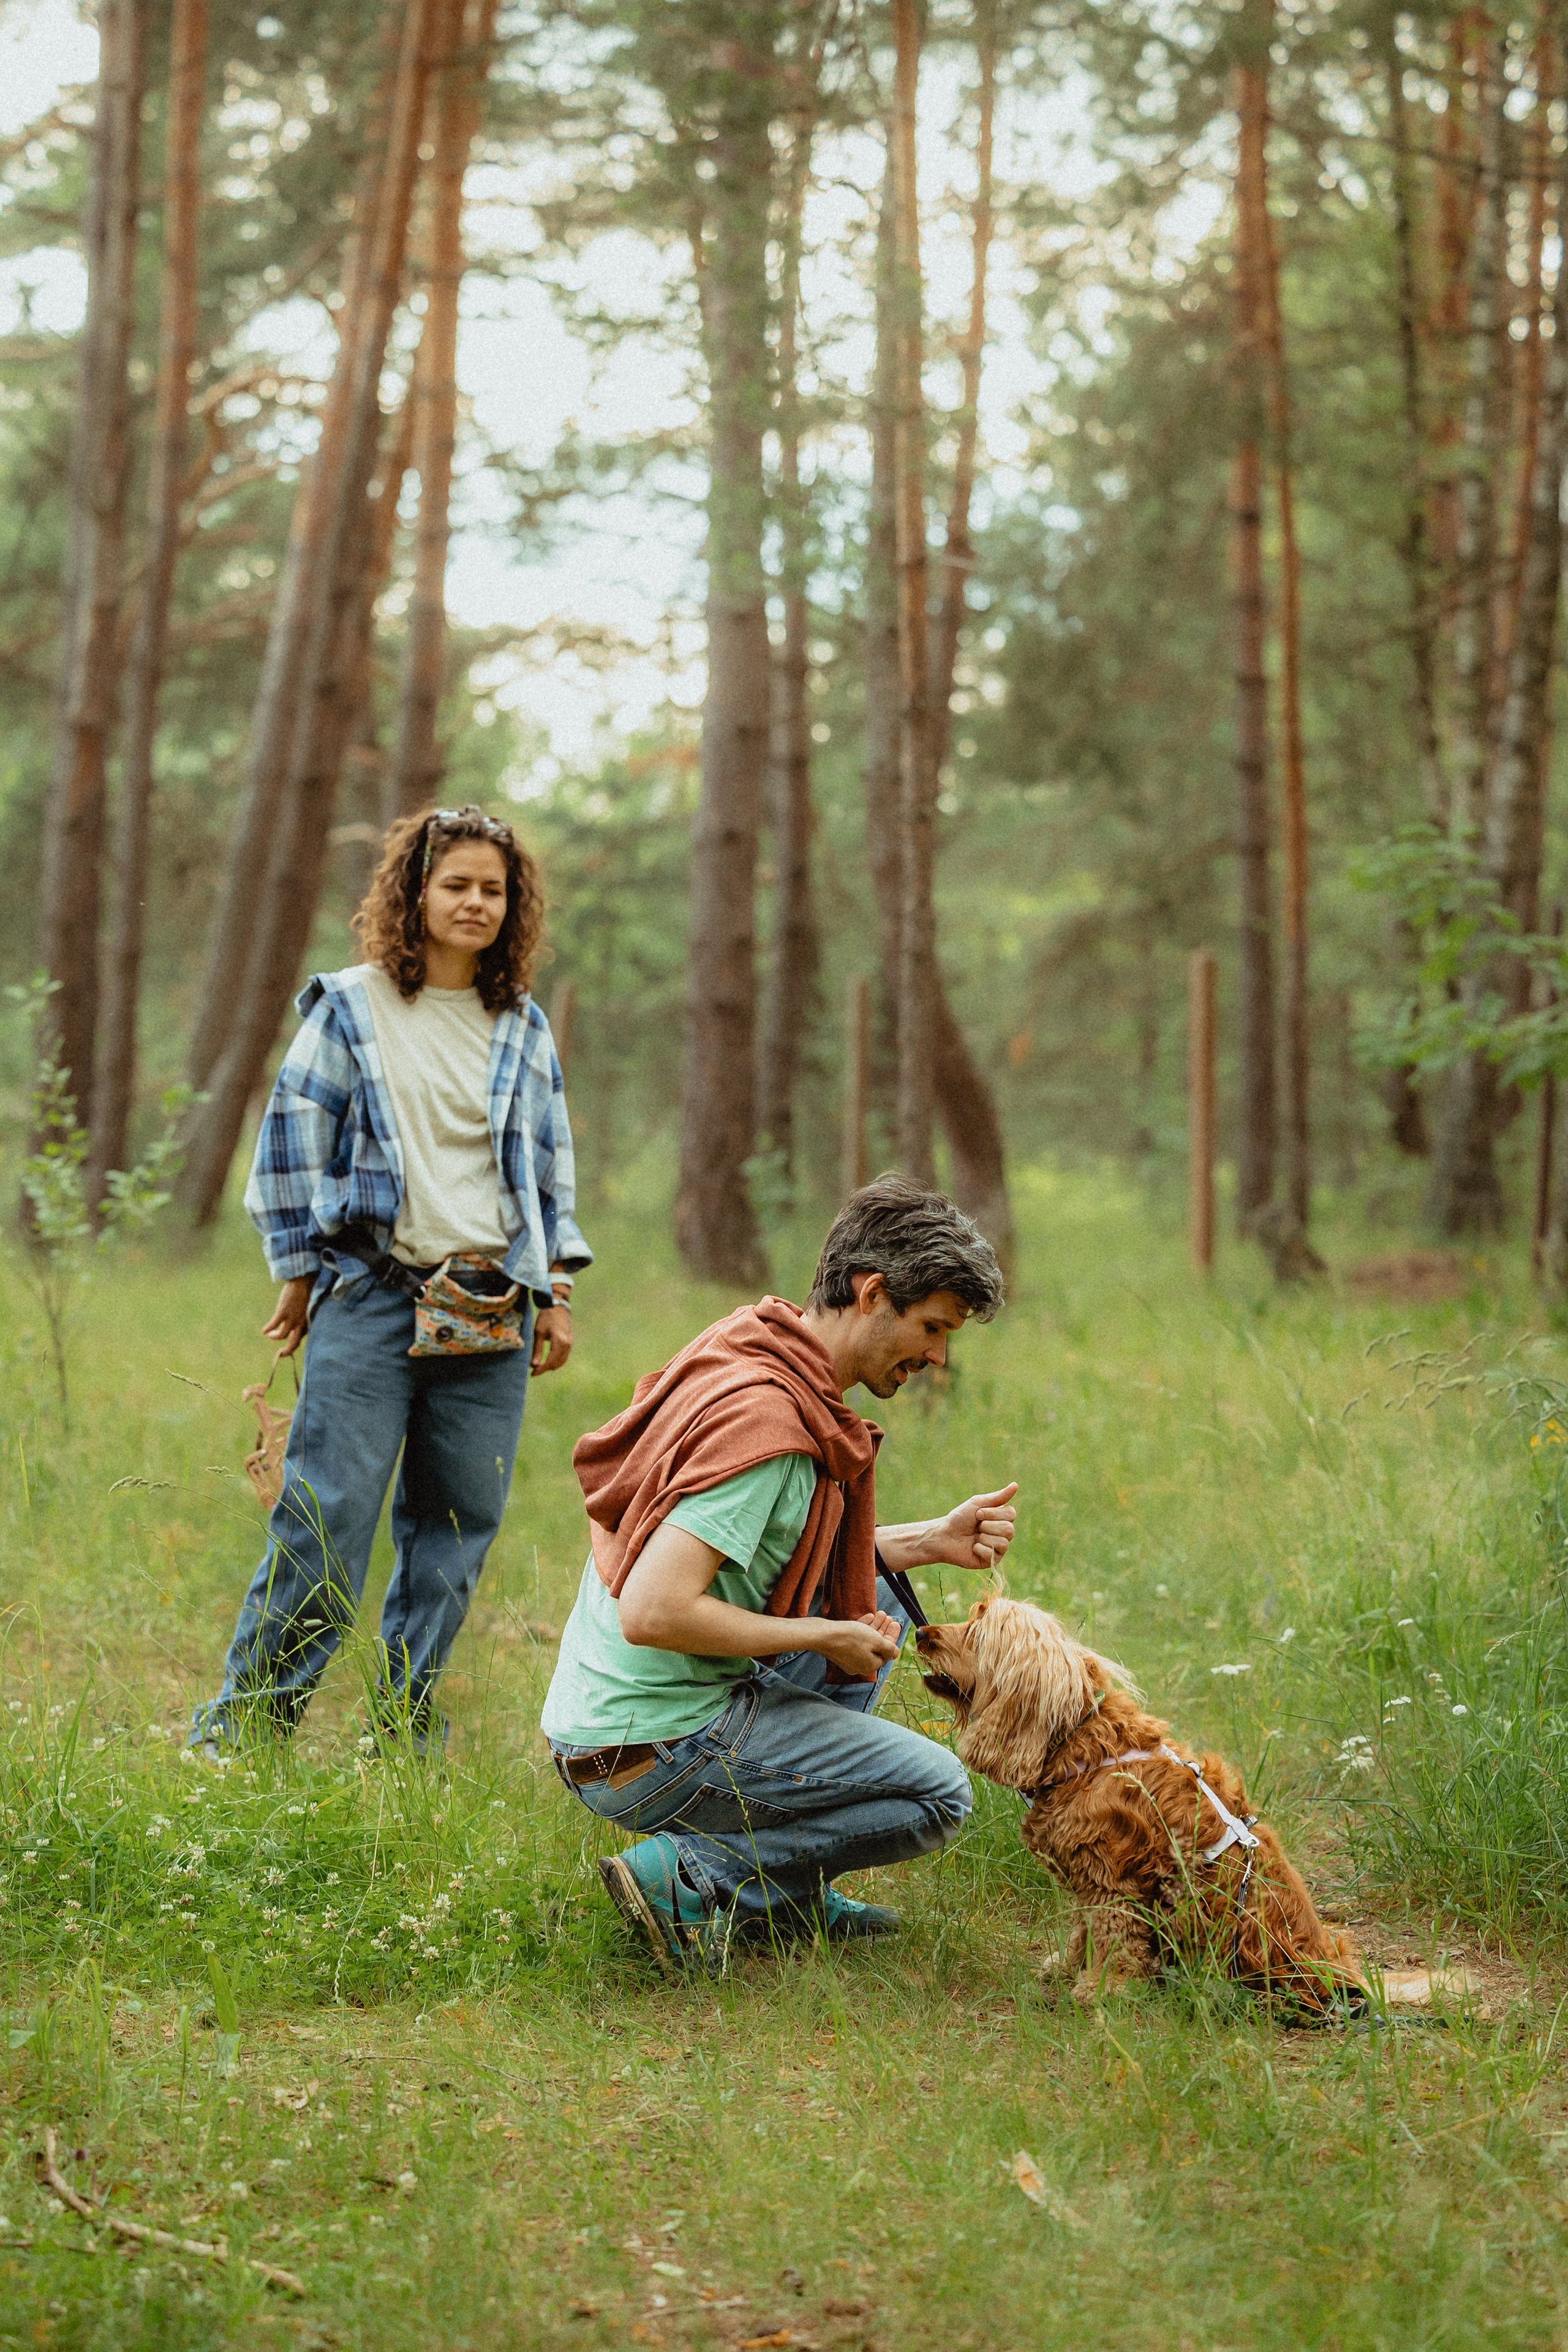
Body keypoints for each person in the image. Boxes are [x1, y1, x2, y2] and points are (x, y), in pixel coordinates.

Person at [190, 804, 590, 1757]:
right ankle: (245, 1729)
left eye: (493, 889)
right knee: (326, 1520)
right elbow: (291, 1141)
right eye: (456, 884)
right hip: (371, 1296)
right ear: (415, 894)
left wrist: (559, 1290)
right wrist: (296, 1271)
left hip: (491, 1308)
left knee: (458, 1530)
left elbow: (548, 1167)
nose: (475, 903)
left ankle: (402, 1729)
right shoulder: (352, 1005)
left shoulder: (522, 1026)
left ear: (513, 905)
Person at [541, 1175, 1014, 1970]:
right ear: (872, 1294)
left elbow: (773, 1546)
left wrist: (934, 1538)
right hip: (647, 1748)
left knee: (865, 1638)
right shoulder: (771, 1429)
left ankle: (788, 1903)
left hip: (605, 1720)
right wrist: (816, 1631)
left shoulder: (753, 1346)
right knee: (938, 1796)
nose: (938, 1357)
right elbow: (654, 1610)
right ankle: (691, 1877)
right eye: (932, 1328)